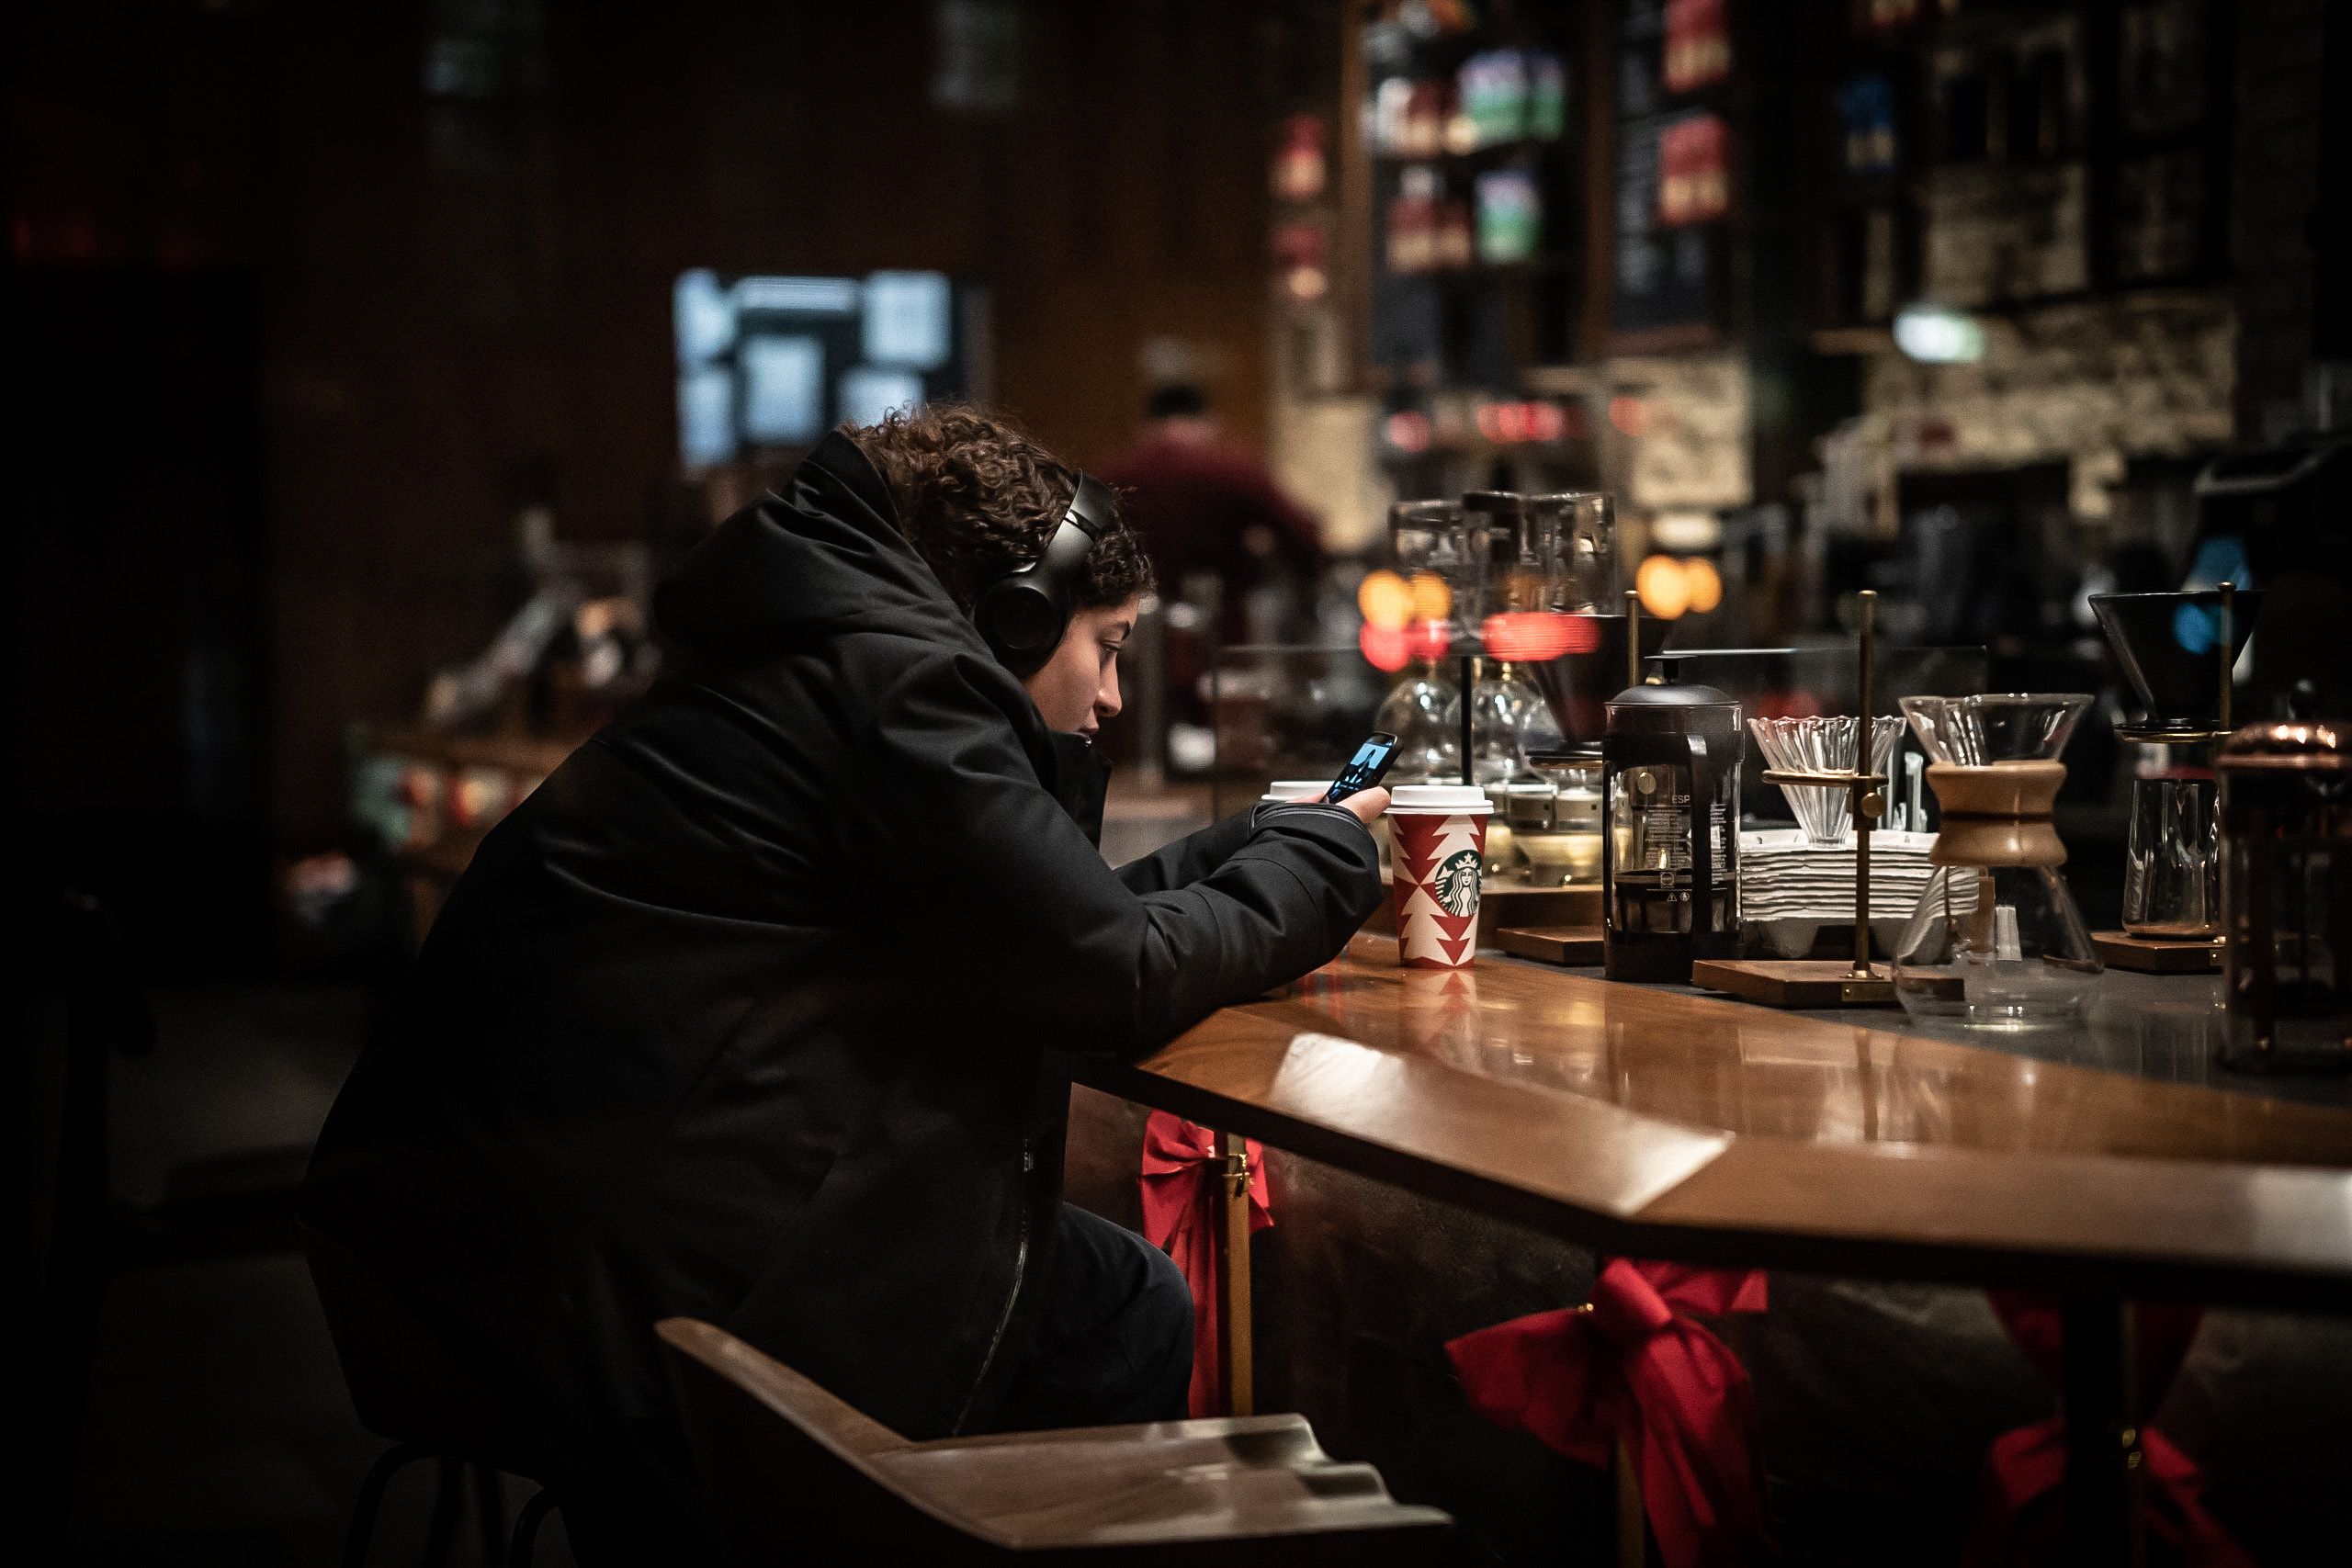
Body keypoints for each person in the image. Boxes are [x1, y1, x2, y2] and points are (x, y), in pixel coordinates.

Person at [300, 406, 1387, 1562]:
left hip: (486, 1252)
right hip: (620, 1304)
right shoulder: (899, 689)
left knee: (1096, 1290)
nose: (1114, 698)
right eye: (1108, 646)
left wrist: (1251, 846)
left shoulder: (805, 658)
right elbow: (1103, 975)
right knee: (1115, 1306)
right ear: (1016, 615)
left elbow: (1037, 931)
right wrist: (1325, 860)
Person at [1097, 382, 1324, 644]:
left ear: (1147, 426)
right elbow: (1305, 536)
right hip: (1221, 636)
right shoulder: (1232, 471)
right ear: (1208, 422)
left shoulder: (1113, 476)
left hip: (1129, 637)